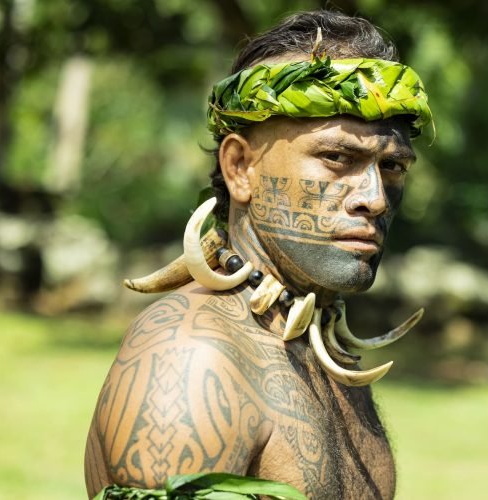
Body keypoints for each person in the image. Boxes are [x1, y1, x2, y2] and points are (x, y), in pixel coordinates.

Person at [84, 10, 432, 499]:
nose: (374, 198)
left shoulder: (315, 340)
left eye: (392, 166)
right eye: (337, 158)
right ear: (240, 168)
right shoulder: (194, 356)